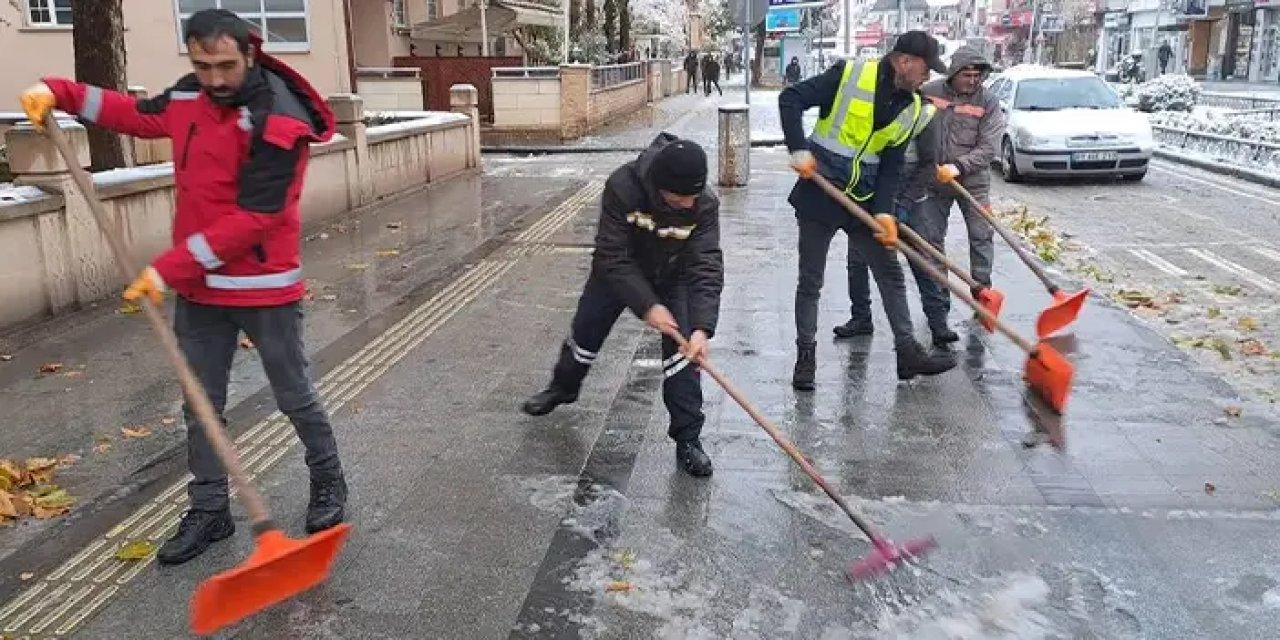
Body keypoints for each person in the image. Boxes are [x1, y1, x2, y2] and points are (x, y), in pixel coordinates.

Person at [19, 9, 348, 565]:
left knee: (294, 395)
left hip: (264, 287)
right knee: (200, 406)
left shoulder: (278, 119)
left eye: (225, 65)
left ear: (250, 53)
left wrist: (168, 267)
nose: (215, 79)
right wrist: (59, 92)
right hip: (199, 292)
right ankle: (211, 510)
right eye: (202, 65)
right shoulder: (190, 98)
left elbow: (257, 216)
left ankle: (328, 480)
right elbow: (132, 113)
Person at [521, 134, 723, 478]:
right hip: (617, 272)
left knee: (683, 355)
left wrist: (702, 327)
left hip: (673, 277)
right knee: (586, 333)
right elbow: (611, 256)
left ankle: (689, 439)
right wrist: (648, 306)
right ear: (661, 187)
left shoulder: (703, 204)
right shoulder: (623, 187)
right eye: (681, 198)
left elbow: (706, 264)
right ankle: (563, 387)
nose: (690, 204)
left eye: (694, 197)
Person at [779, 31, 957, 391]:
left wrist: (885, 213)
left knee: (890, 274)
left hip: (864, 198)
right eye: (925, 69)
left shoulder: (912, 108)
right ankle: (806, 357)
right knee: (811, 280)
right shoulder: (847, 75)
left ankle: (907, 352)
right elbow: (790, 99)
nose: (928, 77)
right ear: (904, 61)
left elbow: (891, 165)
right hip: (821, 191)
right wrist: (798, 149)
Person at [907, 45, 1004, 341]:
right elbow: (911, 124)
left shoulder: (988, 101)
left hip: (972, 179)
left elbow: (990, 147)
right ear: (953, 72)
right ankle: (940, 305)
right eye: (967, 75)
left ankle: (982, 294)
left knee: (981, 235)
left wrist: (959, 166)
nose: (973, 81)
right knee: (932, 241)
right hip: (934, 180)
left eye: (978, 75)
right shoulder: (930, 91)